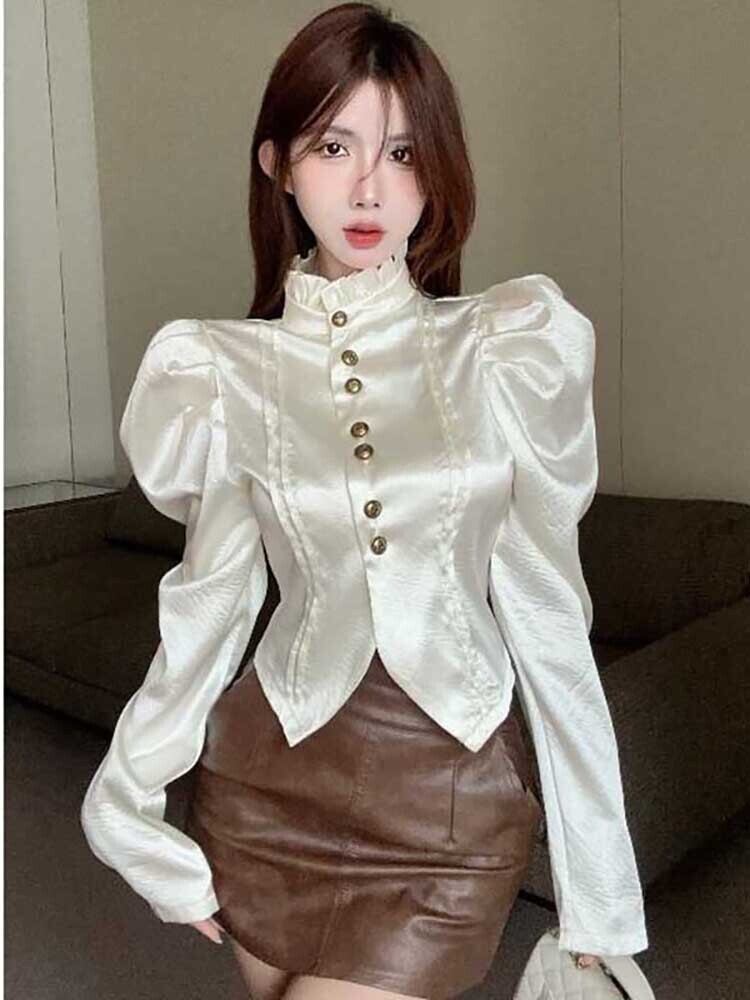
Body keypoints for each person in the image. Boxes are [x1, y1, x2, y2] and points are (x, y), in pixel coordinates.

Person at [80, 4, 648, 998]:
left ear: (439, 171)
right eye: (335, 146)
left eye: (403, 151)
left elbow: (551, 615)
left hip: (449, 800)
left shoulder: (501, 349)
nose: (370, 188)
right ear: (278, 164)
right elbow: (209, 608)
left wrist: (599, 886)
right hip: (266, 787)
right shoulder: (225, 371)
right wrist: (123, 805)